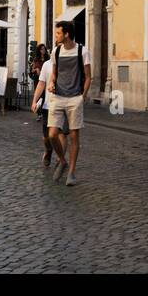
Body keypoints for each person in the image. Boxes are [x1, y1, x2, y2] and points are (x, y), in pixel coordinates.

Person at [46, 20, 90, 187]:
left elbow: (88, 76)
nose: (56, 36)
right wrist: (51, 82)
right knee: (52, 134)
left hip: (74, 98)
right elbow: (54, 73)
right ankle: (63, 161)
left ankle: (71, 172)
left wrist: (82, 96)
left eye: (58, 33)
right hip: (58, 96)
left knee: (74, 136)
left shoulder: (82, 51)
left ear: (66, 34)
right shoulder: (56, 51)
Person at [30, 49, 68, 166]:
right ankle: (48, 149)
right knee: (46, 137)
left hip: (63, 104)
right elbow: (41, 83)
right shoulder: (47, 65)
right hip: (48, 104)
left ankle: (60, 158)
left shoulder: (67, 65)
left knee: (62, 133)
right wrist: (34, 101)